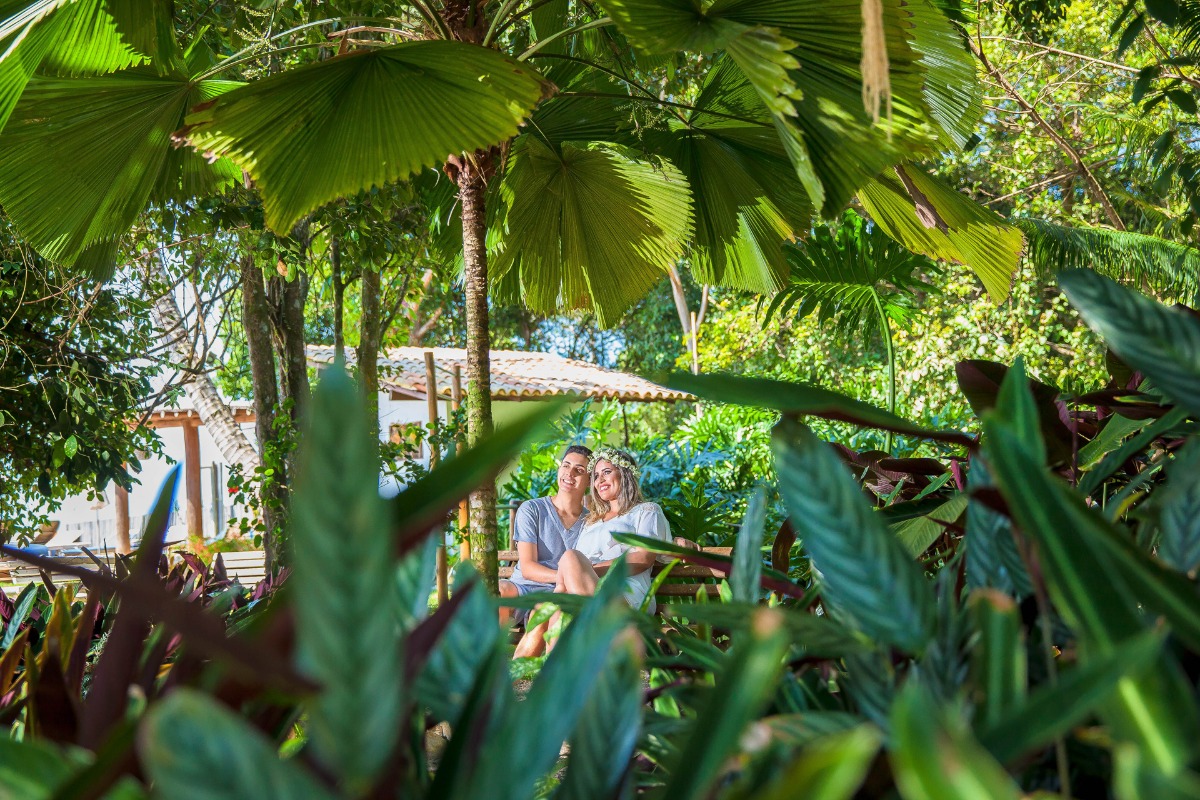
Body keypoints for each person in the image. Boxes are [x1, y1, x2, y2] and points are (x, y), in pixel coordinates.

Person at [498, 444, 592, 657]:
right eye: (566, 465)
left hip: (556, 593)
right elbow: (529, 568)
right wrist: (567, 575)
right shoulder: (532, 509)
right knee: (498, 590)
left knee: (545, 609)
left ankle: (511, 677)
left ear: (589, 481)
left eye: (579, 470)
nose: (569, 473)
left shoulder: (592, 522)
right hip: (522, 587)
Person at [556, 447, 672, 614]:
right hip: (583, 592)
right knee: (545, 615)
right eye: (595, 476)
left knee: (570, 557)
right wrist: (578, 574)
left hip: (625, 593)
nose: (600, 480)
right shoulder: (591, 521)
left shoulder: (646, 511)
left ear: (624, 474)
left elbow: (643, 557)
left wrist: (586, 571)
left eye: (606, 472)